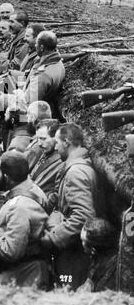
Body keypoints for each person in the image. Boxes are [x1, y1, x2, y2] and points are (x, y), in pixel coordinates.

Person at [0, 152, 50, 288]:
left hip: (25, 266)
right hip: (32, 255)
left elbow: (12, 252)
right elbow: (30, 223)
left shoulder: (17, 207)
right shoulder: (34, 189)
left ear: (6, 178)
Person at [41, 123, 97, 291]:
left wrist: (52, 238)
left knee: (68, 291)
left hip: (75, 250)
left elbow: (83, 216)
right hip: (75, 244)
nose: (55, 147)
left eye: (57, 142)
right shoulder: (77, 165)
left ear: (66, 142)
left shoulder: (75, 172)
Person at [24, 30, 65, 120]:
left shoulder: (42, 75)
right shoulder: (56, 62)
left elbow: (30, 105)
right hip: (43, 106)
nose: (35, 46)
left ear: (41, 47)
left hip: (31, 115)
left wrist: (9, 101)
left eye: (36, 44)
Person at [31, 119, 62, 211]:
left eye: (43, 138)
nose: (39, 144)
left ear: (56, 138)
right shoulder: (45, 152)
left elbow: (56, 196)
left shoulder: (62, 161)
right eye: (37, 139)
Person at [24, 101, 52, 174]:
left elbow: (21, 171)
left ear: (33, 117)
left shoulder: (38, 145)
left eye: (28, 116)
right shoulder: (53, 135)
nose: (27, 119)